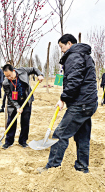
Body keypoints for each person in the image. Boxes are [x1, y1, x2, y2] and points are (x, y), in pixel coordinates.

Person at [37, 34, 98, 174]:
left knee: (60, 134)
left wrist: (63, 98)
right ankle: (82, 167)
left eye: (61, 46)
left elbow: (74, 81)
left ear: (69, 43)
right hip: (89, 103)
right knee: (82, 136)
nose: (62, 50)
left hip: (80, 103)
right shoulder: (85, 55)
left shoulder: (74, 56)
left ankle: (51, 168)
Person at [2, 64, 44, 149]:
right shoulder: (5, 83)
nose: (8, 78)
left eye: (9, 75)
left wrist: (40, 75)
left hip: (26, 100)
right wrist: (17, 107)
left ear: (13, 70)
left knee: (25, 122)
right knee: (11, 122)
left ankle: (23, 141)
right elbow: (9, 97)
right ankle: (8, 142)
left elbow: (33, 69)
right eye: (6, 76)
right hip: (13, 103)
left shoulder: (22, 71)